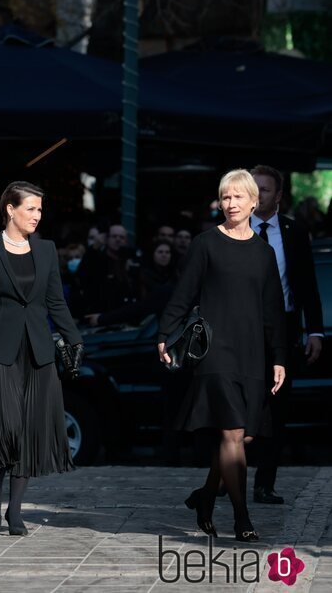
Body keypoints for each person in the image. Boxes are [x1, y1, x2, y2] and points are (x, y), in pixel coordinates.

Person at [157, 169, 286, 543]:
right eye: (224, 198)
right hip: (215, 352)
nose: (230, 204)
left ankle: (205, 499)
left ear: (253, 202)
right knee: (231, 432)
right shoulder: (205, 243)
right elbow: (183, 293)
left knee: (241, 438)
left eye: (237, 197)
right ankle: (242, 518)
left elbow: (273, 309)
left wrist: (279, 356)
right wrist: (166, 333)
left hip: (253, 355)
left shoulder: (263, 252)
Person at [0, 181, 83, 535]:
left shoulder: (47, 250)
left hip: (37, 353)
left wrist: (74, 340)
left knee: (30, 430)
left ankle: (15, 510)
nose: (38, 215)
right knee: (7, 427)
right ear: (11, 209)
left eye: (40, 209)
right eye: (31, 209)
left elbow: (55, 302)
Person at [249, 165, 323, 505]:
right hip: (240, 330)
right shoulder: (232, 228)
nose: (258, 194)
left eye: (265, 189)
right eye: (254, 187)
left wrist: (315, 331)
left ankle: (265, 483)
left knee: (275, 409)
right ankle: (224, 473)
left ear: (278, 195)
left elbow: (308, 286)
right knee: (234, 406)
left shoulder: (294, 231)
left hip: (283, 330)